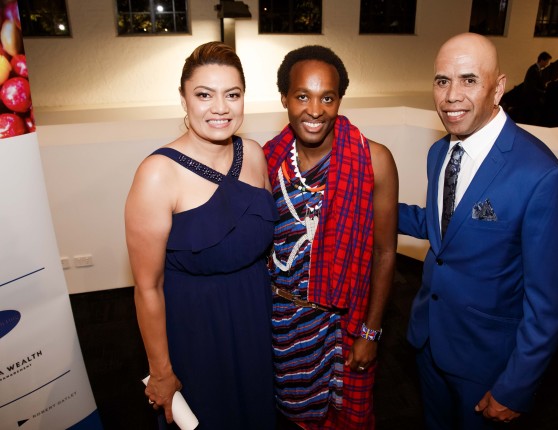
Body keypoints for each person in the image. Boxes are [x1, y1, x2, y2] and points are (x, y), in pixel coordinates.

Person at [398, 33, 558, 429]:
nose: (451, 96)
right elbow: (443, 227)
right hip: (428, 342)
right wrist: (371, 208)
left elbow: (548, 302)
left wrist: (516, 386)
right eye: (442, 81)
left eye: (469, 80)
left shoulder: (543, 176)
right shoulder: (439, 152)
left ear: (498, 88)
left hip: (487, 364)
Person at [125, 41, 278, 429]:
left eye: (232, 95)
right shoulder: (158, 173)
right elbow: (147, 287)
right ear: (184, 99)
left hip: (254, 316)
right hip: (197, 328)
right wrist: (161, 371)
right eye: (204, 95)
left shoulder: (255, 154)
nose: (220, 108)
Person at [264, 45, 398, 429]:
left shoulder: (373, 160)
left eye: (327, 98)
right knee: (293, 416)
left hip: (345, 323)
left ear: (339, 100)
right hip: (284, 322)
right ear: (284, 98)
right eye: (302, 96)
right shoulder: (268, 161)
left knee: (348, 419)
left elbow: (385, 253)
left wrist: (370, 333)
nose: (315, 110)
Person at [521, 51, 552, 124]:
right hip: (531, 99)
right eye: (547, 61)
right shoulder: (533, 70)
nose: (547, 63)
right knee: (531, 119)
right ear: (542, 60)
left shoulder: (537, 69)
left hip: (533, 98)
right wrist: (544, 92)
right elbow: (531, 87)